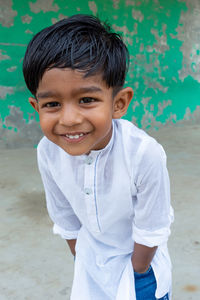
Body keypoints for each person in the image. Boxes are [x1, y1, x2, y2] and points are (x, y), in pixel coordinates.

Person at [23, 14, 174, 300]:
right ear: (36, 106)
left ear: (119, 103)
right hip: (90, 267)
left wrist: (136, 271)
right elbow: (64, 215)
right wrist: (85, 259)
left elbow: (152, 227)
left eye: (87, 100)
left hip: (139, 271)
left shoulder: (144, 154)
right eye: (52, 104)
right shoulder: (48, 152)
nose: (69, 119)